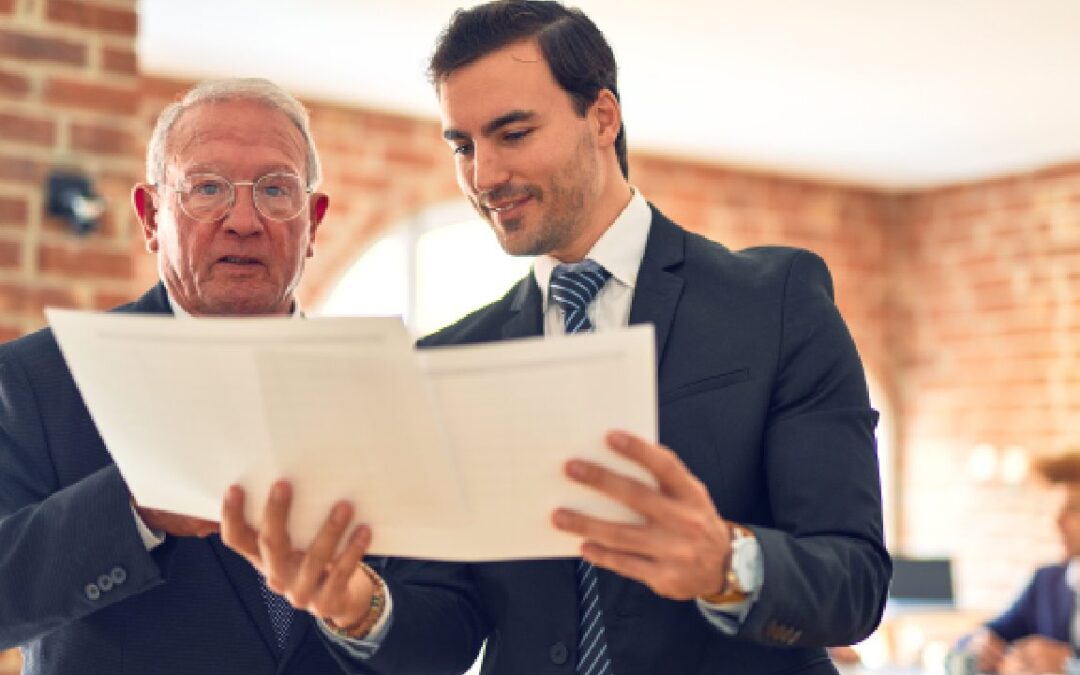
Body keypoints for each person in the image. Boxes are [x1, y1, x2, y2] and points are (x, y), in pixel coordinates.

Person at [221, 2, 892, 674]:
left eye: (512, 133)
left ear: (602, 117)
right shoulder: (451, 357)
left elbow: (855, 581)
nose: (482, 176)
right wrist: (358, 604)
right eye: (463, 145)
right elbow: (447, 626)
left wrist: (726, 561)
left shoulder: (775, 303)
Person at [0, 77, 350, 674]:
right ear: (151, 215)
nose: (244, 219)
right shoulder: (37, 379)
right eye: (207, 188)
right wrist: (136, 505)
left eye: (274, 189)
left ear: (313, 222)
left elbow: (434, 620)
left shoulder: (374, 386)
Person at [963, 452, 1080, 675]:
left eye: (1073, 509)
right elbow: (989, 632)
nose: (1058, 520)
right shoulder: (1047, 581)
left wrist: (1071, 665)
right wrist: (980, 644)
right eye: (1058, 509)